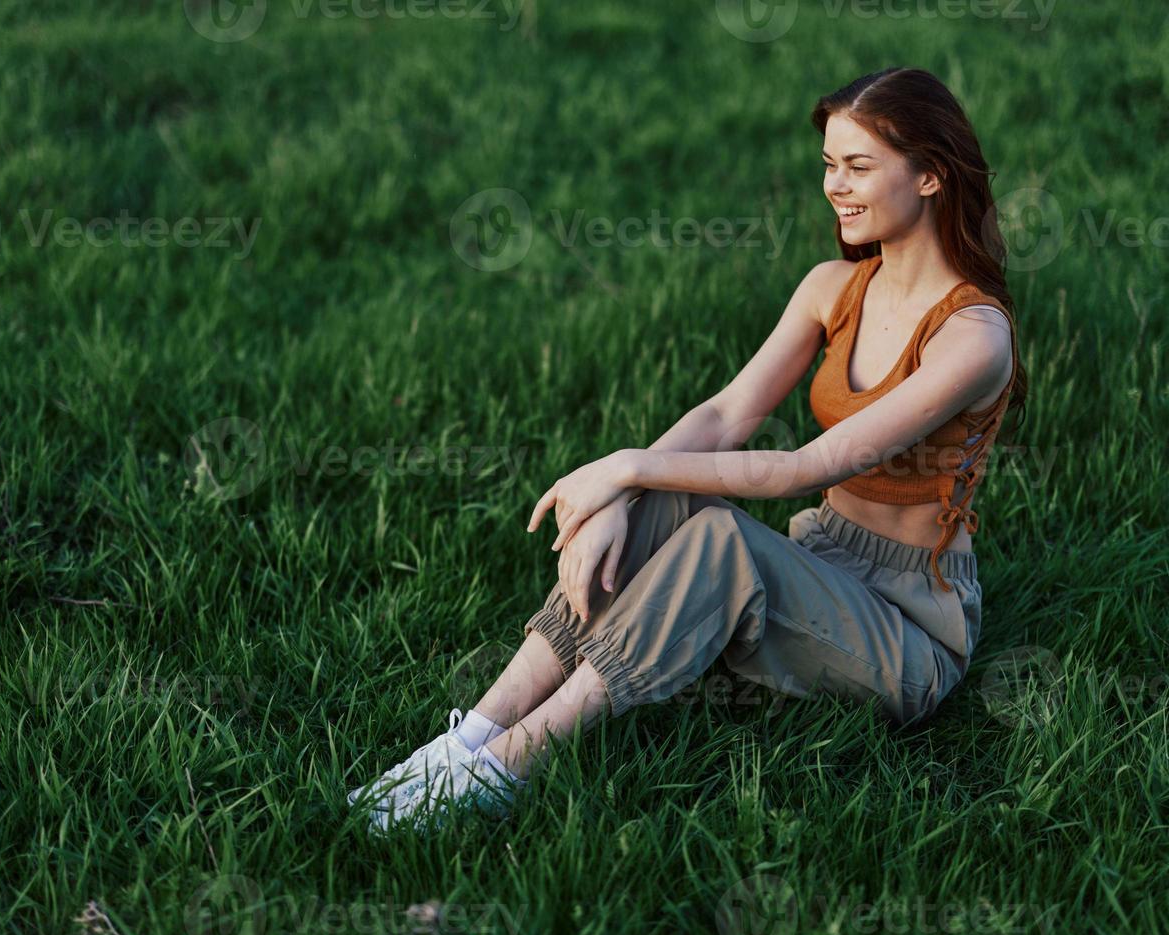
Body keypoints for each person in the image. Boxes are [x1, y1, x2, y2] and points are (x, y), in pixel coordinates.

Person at [347, 66, 1028, 834]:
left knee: (720, 541)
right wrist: (624, 499)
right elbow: (725, 412)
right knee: (674, 500)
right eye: (829, 165)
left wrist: (623, 465)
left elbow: (806, 468)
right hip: (824, 559)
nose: (835, 186)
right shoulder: (832, 285)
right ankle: (468, 736)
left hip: (908, 634)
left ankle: (509, 766)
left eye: (859, 167)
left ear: (931, 175)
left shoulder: (972, 337)